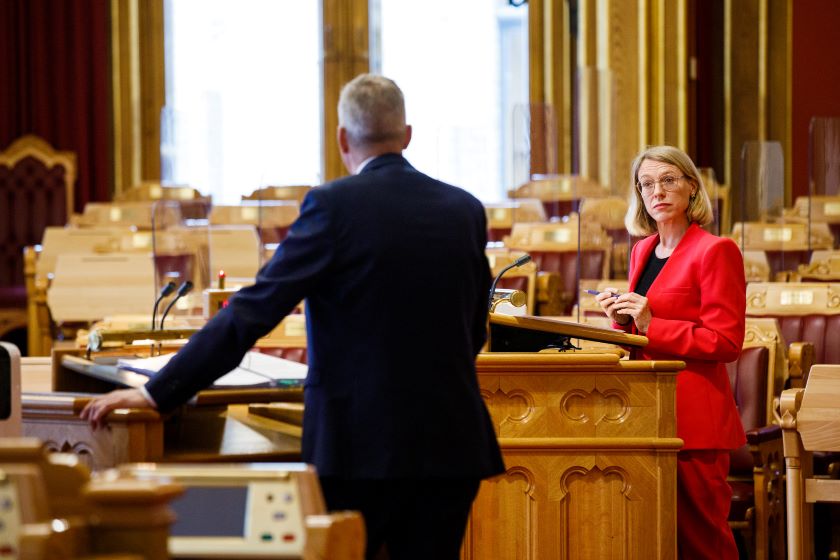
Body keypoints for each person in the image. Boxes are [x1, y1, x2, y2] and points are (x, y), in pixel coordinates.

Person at [81, 74, 505, 560]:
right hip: (450, 446)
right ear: (407, 135)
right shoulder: (464, 209)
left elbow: (250, 313)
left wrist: (158, 392)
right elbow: (474, 329)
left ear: (343, 138)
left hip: (356, 448)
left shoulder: (333, 206)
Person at [594, 145, 745, 560]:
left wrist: (650, 323)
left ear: (692, 188)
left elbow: (726, 342)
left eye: (668, 180)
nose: (656, 191)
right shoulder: (642, 250)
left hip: (694, 418)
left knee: (702, 541)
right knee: (656, 537)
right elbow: (642, 329)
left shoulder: (716, 250)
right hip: (645, 411)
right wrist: (622, 319)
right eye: (646, 185)